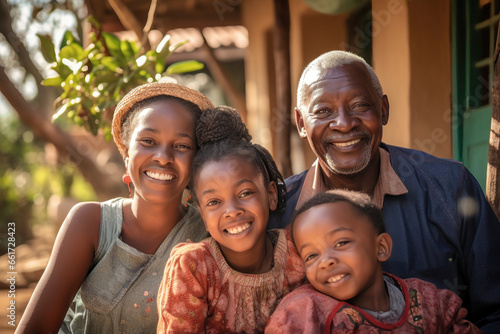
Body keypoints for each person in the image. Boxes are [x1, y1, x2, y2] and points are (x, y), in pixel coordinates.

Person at [267, 50, 500, 332]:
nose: (344, 123)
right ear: (301, 123)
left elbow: (495, 312)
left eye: (360, 105)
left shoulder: (450, 188)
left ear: (384, 110)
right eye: (323, 111)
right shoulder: (279, 212)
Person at [16, 82, 214, 334]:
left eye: (182, 146)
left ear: (197, 160)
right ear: (126, 153)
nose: (163, 156)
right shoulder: (90, 223)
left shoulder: (208, 235)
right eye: (148, 141)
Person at [156, 106, 305, 333]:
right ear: (203, 216)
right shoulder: (194, 267)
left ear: (271, 195)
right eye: (214, 202)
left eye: (245, 193)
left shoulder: (301, 250)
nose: (232, 211)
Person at [265, 190, 481, 333]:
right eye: (312, 256)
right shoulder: (303, 312)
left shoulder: (430, 303)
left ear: (381, 247)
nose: (326, 261)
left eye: (341, 243)